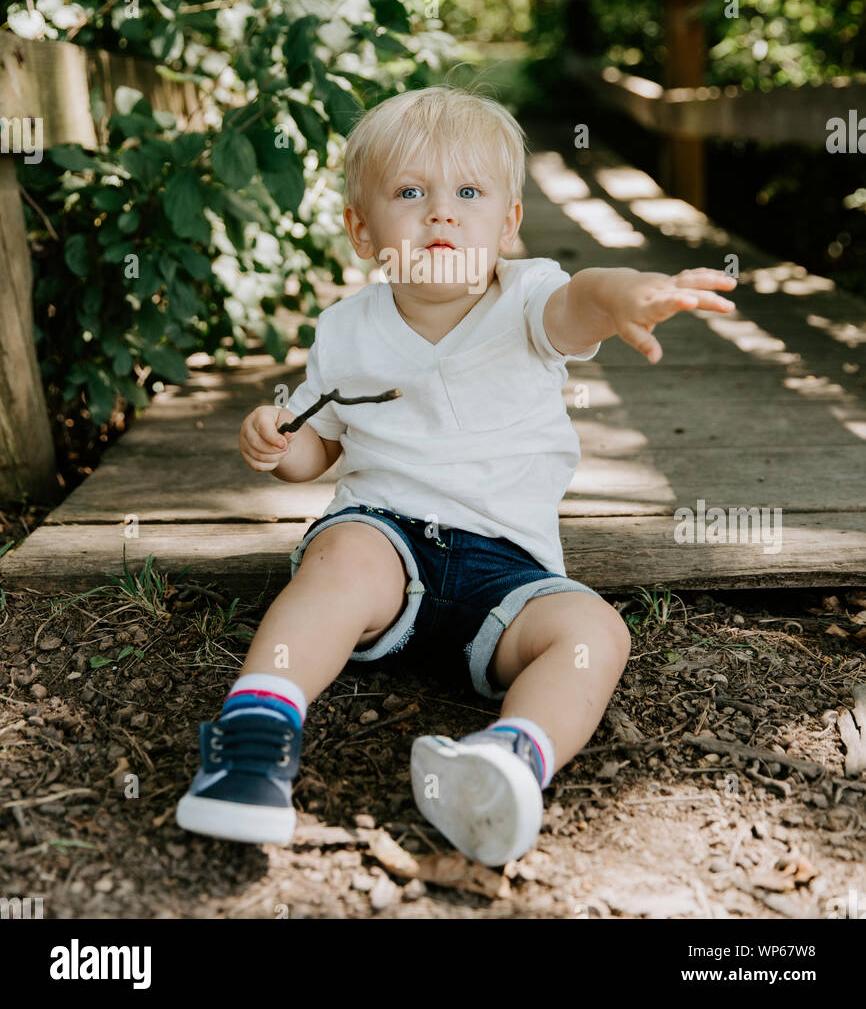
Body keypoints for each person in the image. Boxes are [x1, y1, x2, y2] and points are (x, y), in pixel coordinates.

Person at [176, 85, 737, 866]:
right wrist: (278, 447)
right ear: (363, 230)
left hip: (506, 572)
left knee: (593, 633)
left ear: (507, 222)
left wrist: (623, 294)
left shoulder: (530, 300)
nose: (441, 213)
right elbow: (321, 446)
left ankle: (509, 759)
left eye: (468, 193)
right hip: (385, 539)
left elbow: (582, 301)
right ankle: (254, 733)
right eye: (411, 193)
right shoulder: (347, 330)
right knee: (339, 564)